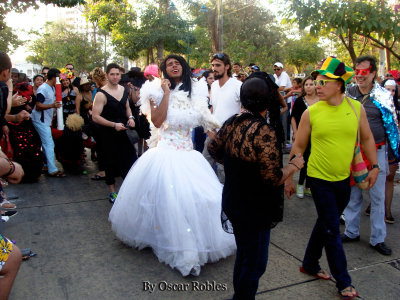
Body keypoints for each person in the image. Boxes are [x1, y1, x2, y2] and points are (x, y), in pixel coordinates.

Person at [109, 54, 236, 277]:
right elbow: (157, 121)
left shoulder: (196, 90)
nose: (174, 66)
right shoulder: (154, 90)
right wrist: (166, 92)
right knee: (169, 202)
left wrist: (222, 141)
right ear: (164, 71)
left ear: (184, 67)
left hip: (188, 155)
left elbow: (205, 120)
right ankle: (175, 244)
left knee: (201, 199)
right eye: (169, 64)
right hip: (165, 154)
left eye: (177, 63)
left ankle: (195, 241)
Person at [285, 56, 379, 300]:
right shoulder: (311, 112)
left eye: (324, 81)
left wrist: (376, 166)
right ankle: (344, 281)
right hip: (319, 179)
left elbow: (367, 138)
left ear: (339, 84)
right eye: (317, 81)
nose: (318, 85)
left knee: (326, 223)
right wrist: (289, 177)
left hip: (344, 179)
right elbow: (298, 146)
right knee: (332, 230)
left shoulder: (355, 108)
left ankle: (309, 263)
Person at [208, 71, 304, 300]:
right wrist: (293, 166)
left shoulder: (233, 122)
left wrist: (235, 167)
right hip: (254, 206)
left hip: (235, 200)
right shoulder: (264, 131)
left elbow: (214, 149)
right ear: (267, 100)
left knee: (245, 254)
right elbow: (272, 177)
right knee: (255, 261)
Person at [342, 55, 398, 256]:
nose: (359, 75)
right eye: (357, 71)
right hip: (354, 153)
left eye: (364, 72)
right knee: (353, 195)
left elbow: (392, 126)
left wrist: (393, 157)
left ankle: (378, 239)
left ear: (373, 73)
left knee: (377, 197)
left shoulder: (383, 95)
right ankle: (351, 231)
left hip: (378, 153)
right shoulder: (348, 93)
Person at [92, 63, 137, 203]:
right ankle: (112, 192)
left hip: (123, 132)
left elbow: (127, 107)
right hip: (107, 134)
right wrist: (113, 125)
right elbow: (95, 116)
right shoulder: (101, 94)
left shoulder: (124, 89)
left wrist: (130, 118)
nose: (115, 77)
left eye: (117, 74)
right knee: (110, 163)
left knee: (130, 160)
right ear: (107, 75)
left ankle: (128, 190)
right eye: (112, 74)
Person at [203, 53, 242, 183]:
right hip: (212, 134)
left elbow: (244, 111)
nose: (214, 68)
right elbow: (214, 108)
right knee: (204, 167)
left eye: (218, 65)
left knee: (223, 174)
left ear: (227, 66)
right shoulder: (213, 86)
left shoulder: (238, 86)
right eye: (213, 65)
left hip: (229, 138)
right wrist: (208, 127)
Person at [31, 68, 65, 178]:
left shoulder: (52, 88)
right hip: (40, 120)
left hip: (46, 120)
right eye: (58, 77)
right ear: (54, 77)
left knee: (47, 143)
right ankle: (52, 170)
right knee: (49, 144)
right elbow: (38, 105)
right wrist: (52, 106)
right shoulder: (43, 89)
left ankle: (46, 165)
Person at [290, 76, 318, 198]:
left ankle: (309, 186)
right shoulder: (300, 101)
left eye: (311, 84)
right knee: (304, 160)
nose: (308, 87)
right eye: (306, 85)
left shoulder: (321, 100)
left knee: (314, 161)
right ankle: (300, 184)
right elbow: (293, 118)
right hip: (303, 136)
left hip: (317, 135)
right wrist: (295, 133)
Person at [382, 79, 399, 224]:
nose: (391, 93)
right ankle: (375, 205)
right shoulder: (376, 105)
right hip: (379, 146)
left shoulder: (398, 108)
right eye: (387, 89)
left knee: (389, 177)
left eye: (393, 90)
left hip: (393, 148)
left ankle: (387, 210)